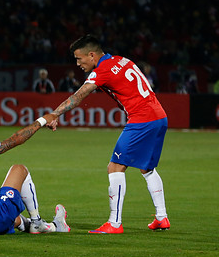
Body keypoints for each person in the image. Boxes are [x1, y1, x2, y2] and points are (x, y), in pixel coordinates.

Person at [47, 34, 169, 234]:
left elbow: (79, 96)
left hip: (142, 119)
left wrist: (55, 113)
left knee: (114, 167)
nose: (77, 63)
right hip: (159, 116)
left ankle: (114, 223)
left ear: (92, 55)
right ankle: (162, 217)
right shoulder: (122, 60)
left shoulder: (102, 70)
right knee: (147, 168)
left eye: (79, 59)